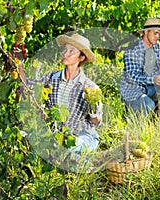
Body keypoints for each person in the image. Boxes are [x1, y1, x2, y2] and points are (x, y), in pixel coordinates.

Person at [18, 34, 103, 162]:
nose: (65, 54)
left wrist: (93, 111)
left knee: (69, 146)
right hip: (58, 135)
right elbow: (28, 86)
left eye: (71, 51)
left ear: (81, 58)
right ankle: (78, 160)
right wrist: (19, 63)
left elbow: (96, 122)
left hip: (83, 136)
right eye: (65, 50)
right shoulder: (52, 78)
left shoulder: (89, 87)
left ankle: (79, 160)